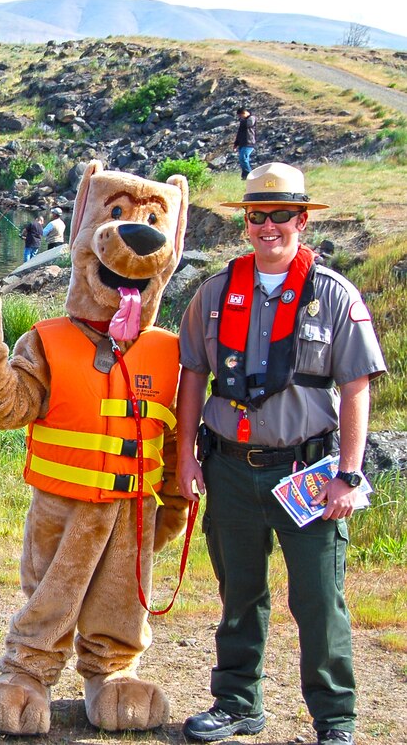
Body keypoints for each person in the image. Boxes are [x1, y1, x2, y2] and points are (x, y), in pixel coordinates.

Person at [176, 163, 386, 745]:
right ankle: (238, 702)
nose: (269, 226)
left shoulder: (334, 294)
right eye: (257, 215)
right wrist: (186, 457)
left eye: (281, 215)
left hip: (308, 475)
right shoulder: (216, 293)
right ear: (247, 222)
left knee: (319, 603)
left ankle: (334, 721)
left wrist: (348, 473)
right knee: (239, 595)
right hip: (230, 469)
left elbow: (356, 386)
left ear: (301, 219)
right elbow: (193, 374)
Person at [233, 107, 256, 180]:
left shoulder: (252, 118)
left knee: (243, 158)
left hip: (249, 143)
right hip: (242, 144)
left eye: (240, 116)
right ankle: (244, 176)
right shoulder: (242, 121)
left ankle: (250, 175)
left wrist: (243, 119)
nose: (240, 118)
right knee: (242, 160)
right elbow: (239, 133)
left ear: (244, 113)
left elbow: (248, 124)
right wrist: (236, 144)